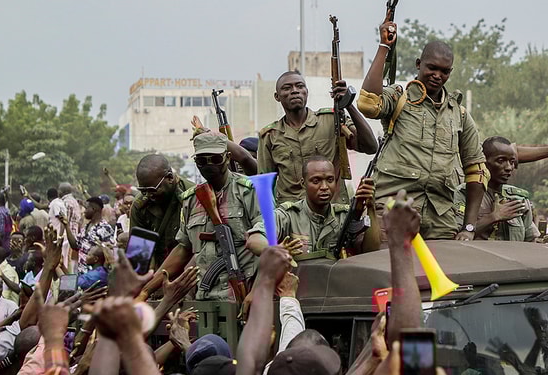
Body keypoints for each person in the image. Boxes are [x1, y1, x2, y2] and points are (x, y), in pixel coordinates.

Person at [358, 28, 487, 241]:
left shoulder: (459, 114)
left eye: (444, 71)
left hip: (440, 221)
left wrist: (469, 227)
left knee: (439, 274)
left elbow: (477, 170)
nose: (437, 76)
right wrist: (384, 47)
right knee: (389, 270)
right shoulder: (400, 97)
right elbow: (367, 104)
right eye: (432, 68)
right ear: (419, 64)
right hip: (393, 209)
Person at [141, 132, 263, 301]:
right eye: (201, 160)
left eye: (215, 159)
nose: (208, 165)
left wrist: (257, 291)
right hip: (206, 295)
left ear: (227, 158)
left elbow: (268, 246)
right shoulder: (191, 199)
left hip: (245, 293)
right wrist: (146, 290)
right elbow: (183, 248)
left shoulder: (249, 191)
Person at [258, 70, 378, 203]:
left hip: (333, 213)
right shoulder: (270, 136)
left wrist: (348, 104)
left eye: (300, 86)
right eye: (287, 88)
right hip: (292, 217)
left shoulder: (331, 120)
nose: (294, 91)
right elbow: (264, 187)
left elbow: (370, 146)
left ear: (306, 92)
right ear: (277, 96)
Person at [247, 156, 377, 257]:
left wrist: (371, 208)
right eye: (316, 181)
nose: (324, 187)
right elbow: (254, 239)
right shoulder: (288, 215)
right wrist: (275, 251)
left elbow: (371, 250)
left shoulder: (344, 216)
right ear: (303, 183)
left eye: (330, 180)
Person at [454, 136, 536, 241]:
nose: (509, 167)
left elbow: (531, 241)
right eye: (501, 160)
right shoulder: (462, 195)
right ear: (483, 161)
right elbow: (456, 238)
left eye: (512, 162)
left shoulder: (518, 199)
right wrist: (493, 217)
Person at [130, 154, 195, 266]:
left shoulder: (193, 197)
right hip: (159, 269)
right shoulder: (140, 206)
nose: (148, 195)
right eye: (143, 190)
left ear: (169, 178)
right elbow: (139, 256)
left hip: (190, 268)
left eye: (152, 190)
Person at [62, 196, 115, 274]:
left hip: (94, 277)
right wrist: (66, 225)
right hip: (82, 275)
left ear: (93, 209)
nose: (84, 211)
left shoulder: (105, 228)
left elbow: (109, 254)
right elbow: (75, 246)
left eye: (87, 208)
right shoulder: (86, 227)